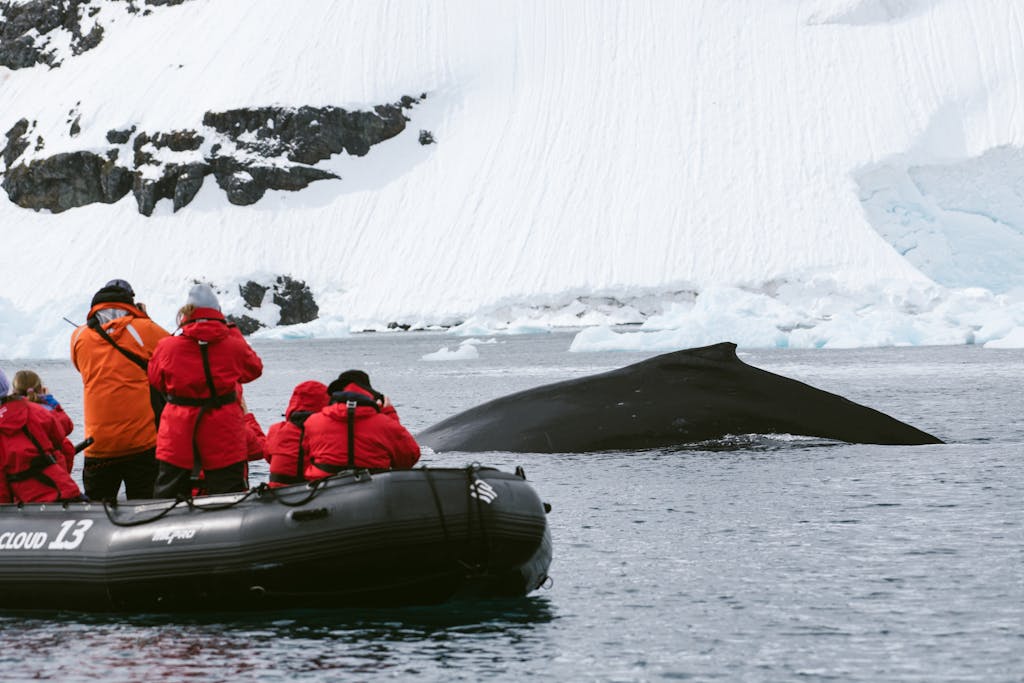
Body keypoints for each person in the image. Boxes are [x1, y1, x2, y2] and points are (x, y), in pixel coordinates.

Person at [148, 284, 263, 498]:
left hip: (178, 430)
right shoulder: (233, 345)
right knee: (229, 495)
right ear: (218, 313)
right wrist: (232, 331)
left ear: (186, 313)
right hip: (225, 432)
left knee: (169, 496)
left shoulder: (167, 347)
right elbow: (254, 370)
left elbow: (156, 381)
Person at [70, 279, 170, 501]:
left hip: (97, 446)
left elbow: (82, 368)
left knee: (97, 509)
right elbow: (173, 353)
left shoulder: (78, 336)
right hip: (141, 443)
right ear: (130, 302)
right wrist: (145, 318)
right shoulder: (145, 329)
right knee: (147, 507)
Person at [303, 370, 420, 480]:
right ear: (370, 395)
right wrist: (389, 414)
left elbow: (303, 458)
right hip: (374, 490)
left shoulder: (313, 422)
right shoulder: (386, 424)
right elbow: (407, 459)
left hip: (322, 492)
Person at [0, 368, 82, 504]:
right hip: (62, 489)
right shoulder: (36, 410)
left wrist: (5, 509)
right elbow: (60, 438)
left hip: (28, 503)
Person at [264, 380, 329, 487]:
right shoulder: (325, 432)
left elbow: (268, 457)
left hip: (277, 492)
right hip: (312, 492)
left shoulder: (276, 429)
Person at [11, 369, 75, 471]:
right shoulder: (47, 409)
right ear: (41, 389)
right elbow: (67, 427)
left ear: (14, 391)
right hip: (51, 468)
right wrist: (52, 402)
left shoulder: (9, 411)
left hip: (18, 469)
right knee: (66, 445)